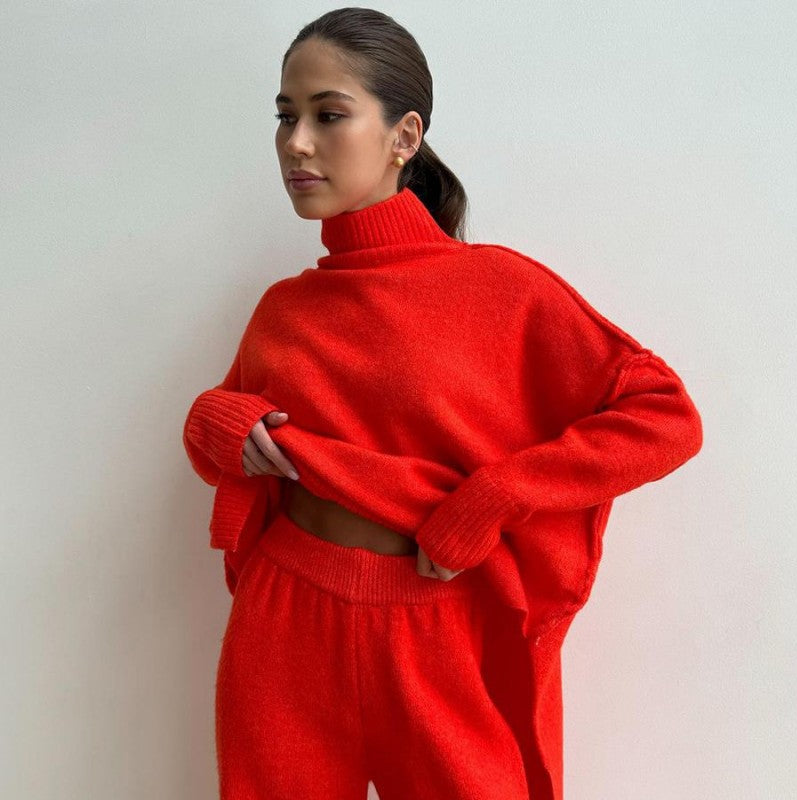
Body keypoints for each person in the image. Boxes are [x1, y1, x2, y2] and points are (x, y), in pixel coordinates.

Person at [182, 8, 703, 800]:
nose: (296, 143)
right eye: (286, 117)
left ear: (405, 135)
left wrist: (496, 496)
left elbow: (665, 417)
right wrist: (216, 421)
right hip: (284, 615)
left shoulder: (501, 289)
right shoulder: (285, 307)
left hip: (436, 622)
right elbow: (226, 427)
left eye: (329, 115)